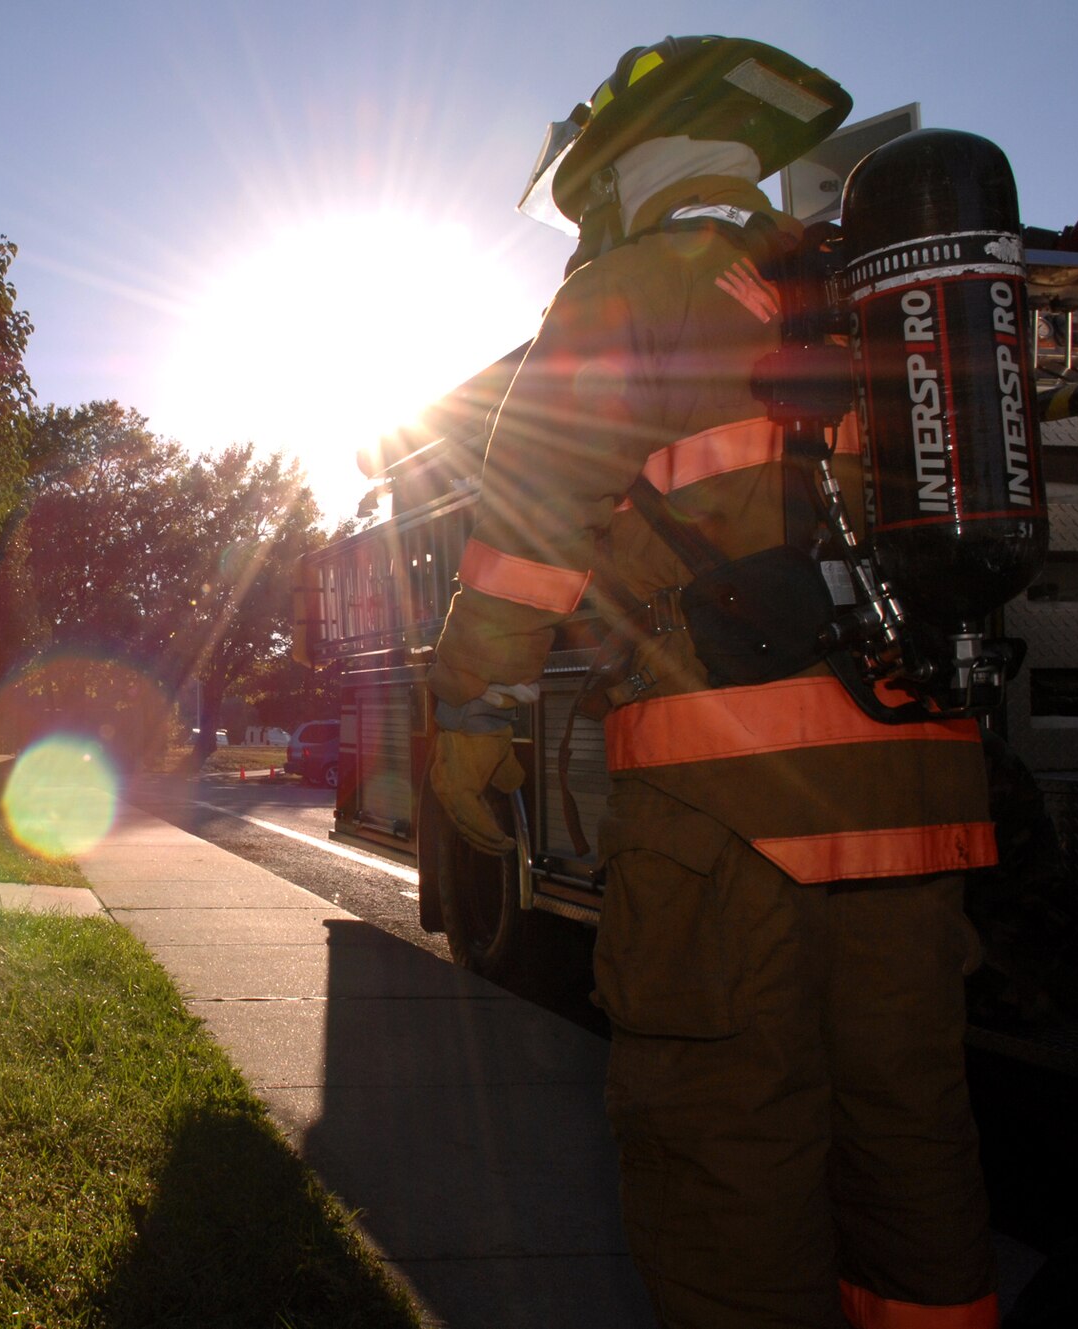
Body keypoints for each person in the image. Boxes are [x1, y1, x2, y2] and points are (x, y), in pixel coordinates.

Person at [425, 37, 998, 1329]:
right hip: (918, 797)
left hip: (730, 813)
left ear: (623, 171)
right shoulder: (859, 288)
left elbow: (533, 519)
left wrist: (468, 712)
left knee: (723, 1135)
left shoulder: (637, 286)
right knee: (909, 1133)